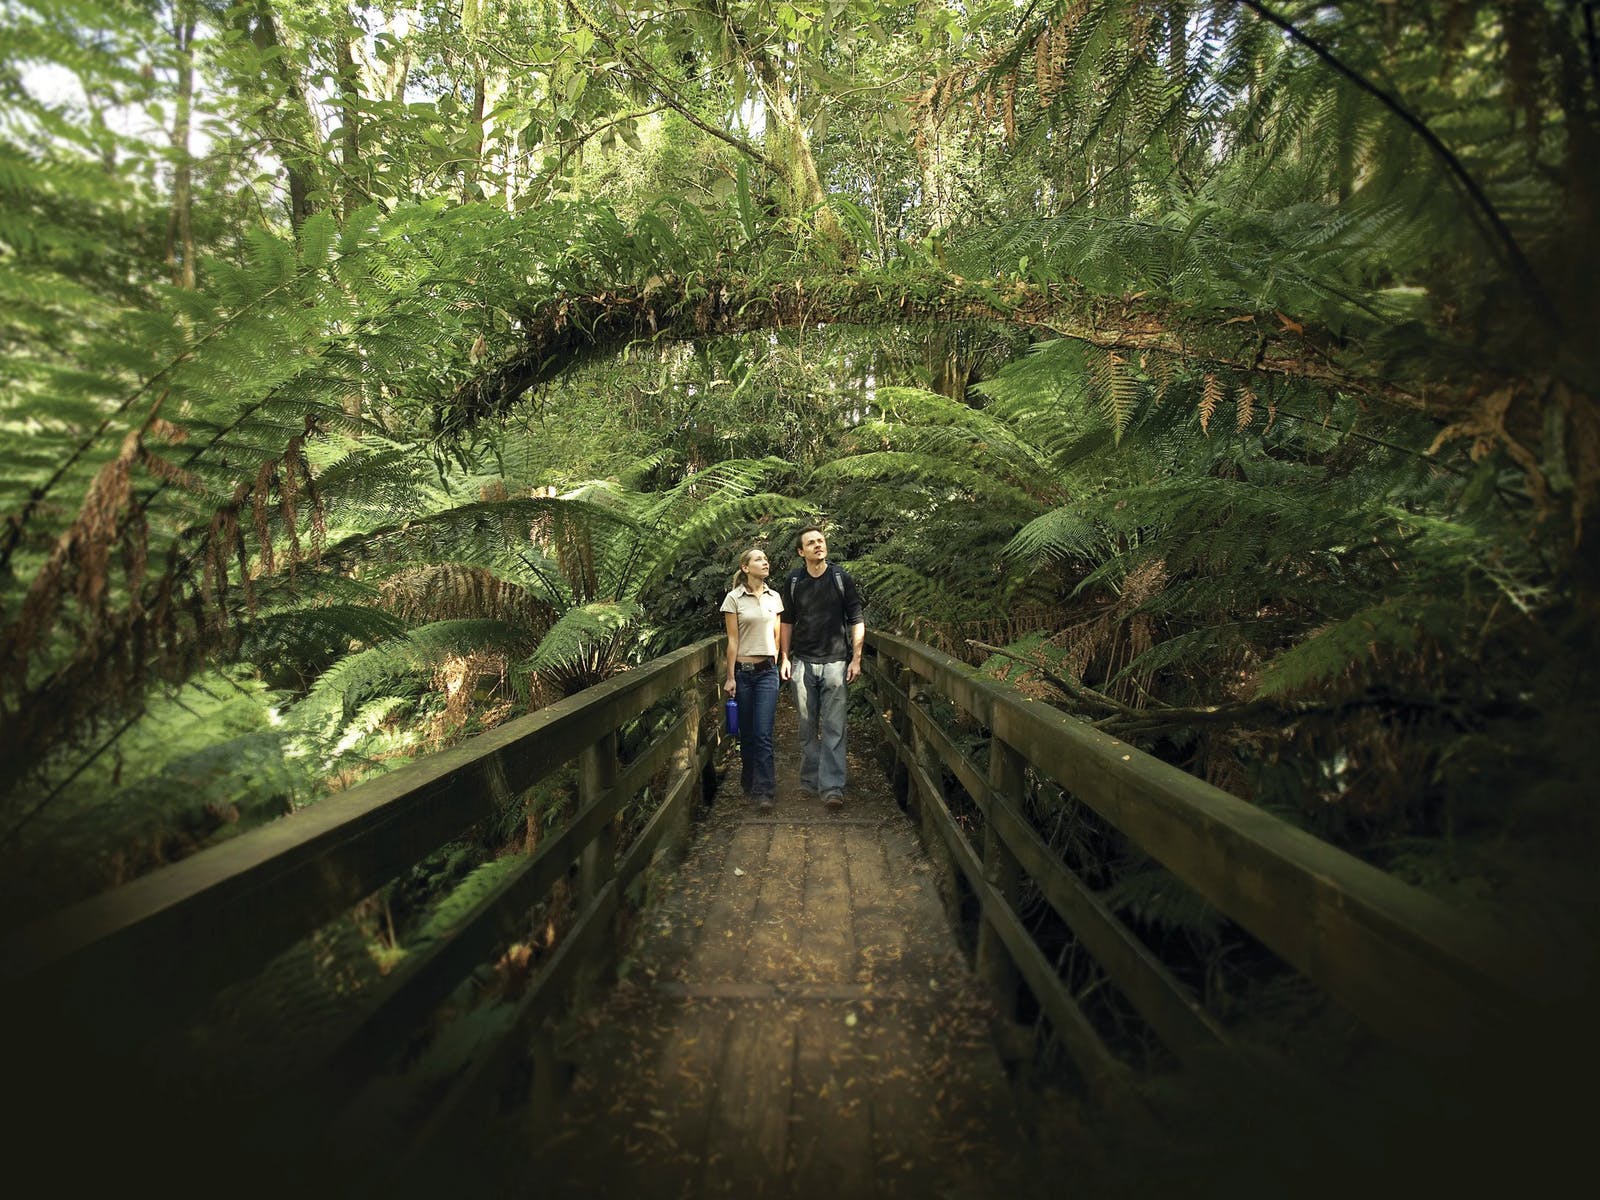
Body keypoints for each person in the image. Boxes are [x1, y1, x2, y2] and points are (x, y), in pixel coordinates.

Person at [779, 525, 864, 811]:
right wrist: (785, 657)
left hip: (836, 662)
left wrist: (856, 658)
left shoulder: (840, 578)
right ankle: (809, 780)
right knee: (806, 725)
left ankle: (832, 787)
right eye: (811, 543)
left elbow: (856, 618)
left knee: (834, 727)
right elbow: (786, 621)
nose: (818, 545)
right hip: (802, 661)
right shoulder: (794, 580)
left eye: (821, 541)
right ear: (801, 552)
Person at [720, 547, 783, 812]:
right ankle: (749, 781)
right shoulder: (733, 599)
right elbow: (732, 640)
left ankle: (765, 790)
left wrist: (777, 662)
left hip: (767, 673)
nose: (765, 561)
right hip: (743, 675)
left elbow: (777, 636)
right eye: (758, 559)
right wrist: (730, 676)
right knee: (746, 733)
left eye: (766, 558)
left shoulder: (774, 597)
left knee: (763, 733)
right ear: (745, 568)